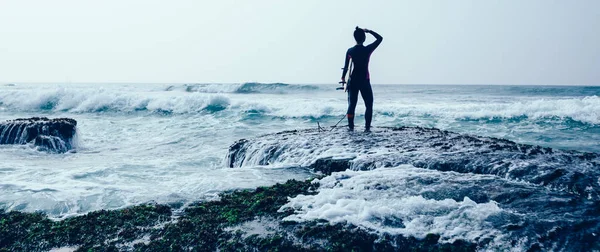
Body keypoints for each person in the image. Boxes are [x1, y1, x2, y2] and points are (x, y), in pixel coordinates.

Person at [341, 26, 383, 132]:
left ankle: (351, 128)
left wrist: (343, 80)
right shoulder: (367, 49)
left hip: (353, 80)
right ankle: (367, 128)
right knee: (369, 104)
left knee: (352, 104)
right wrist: (369, 31)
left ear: (355, 38)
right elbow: (380, 39)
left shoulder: (350, 51)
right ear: (364, 38)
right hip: (364, 80)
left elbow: (346, 67)